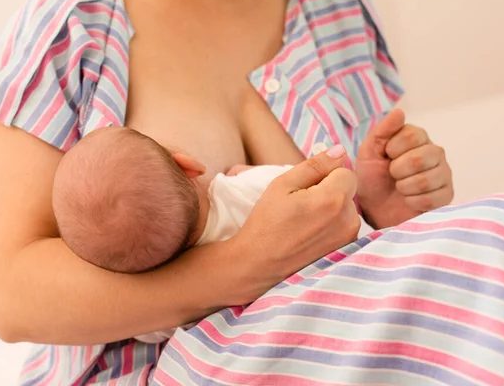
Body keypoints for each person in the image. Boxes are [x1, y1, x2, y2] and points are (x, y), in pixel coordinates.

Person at [0, 0, 504, 384]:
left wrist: (389, 206)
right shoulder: (70, 28)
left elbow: (361, 240)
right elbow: (10, 296)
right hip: (174, 369)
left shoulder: (339, 13)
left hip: (348, 339)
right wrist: (240, 266)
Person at [53, 126, 369, 343]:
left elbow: (145, 333)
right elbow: (330, 204)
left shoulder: (163, 305)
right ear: (187, 164)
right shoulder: (254, 188)